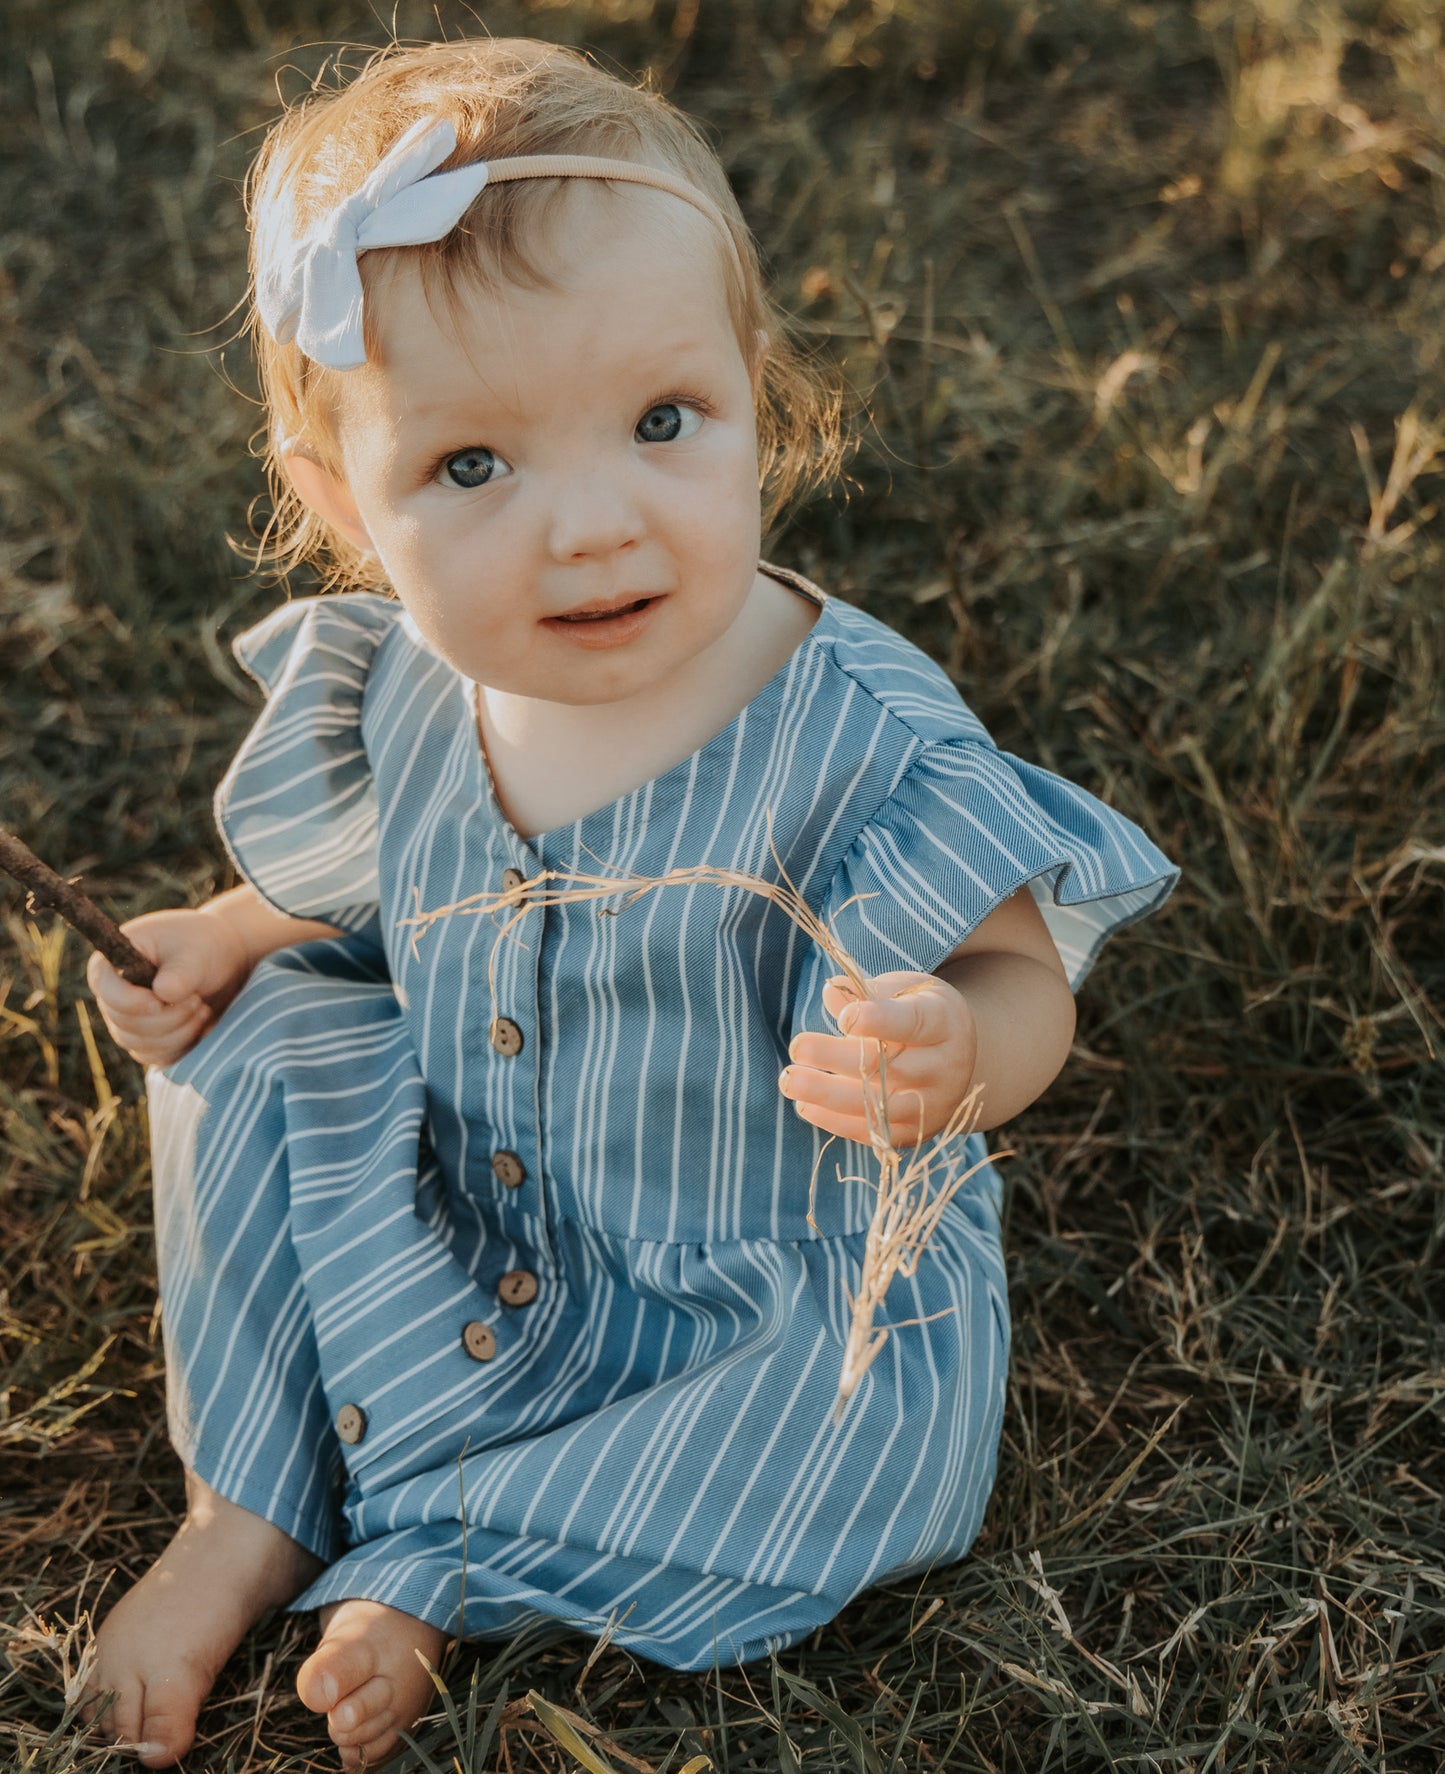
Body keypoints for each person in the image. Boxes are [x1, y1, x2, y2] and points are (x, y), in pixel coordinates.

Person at [82, 36, 1177, 1771]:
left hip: (743, 1287)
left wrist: (956, 1045)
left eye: (663, 424)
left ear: (756, 391)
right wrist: (223, 938)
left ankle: (446, 1560)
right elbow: (382, 892)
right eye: (470, 469)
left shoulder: (848, 731)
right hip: (469, 1212)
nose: (591, 526)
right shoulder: (411, 692)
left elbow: (1013, 964)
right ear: (335, 508)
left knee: (839, 1441)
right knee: (252, 1045)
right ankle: (249, 1508)